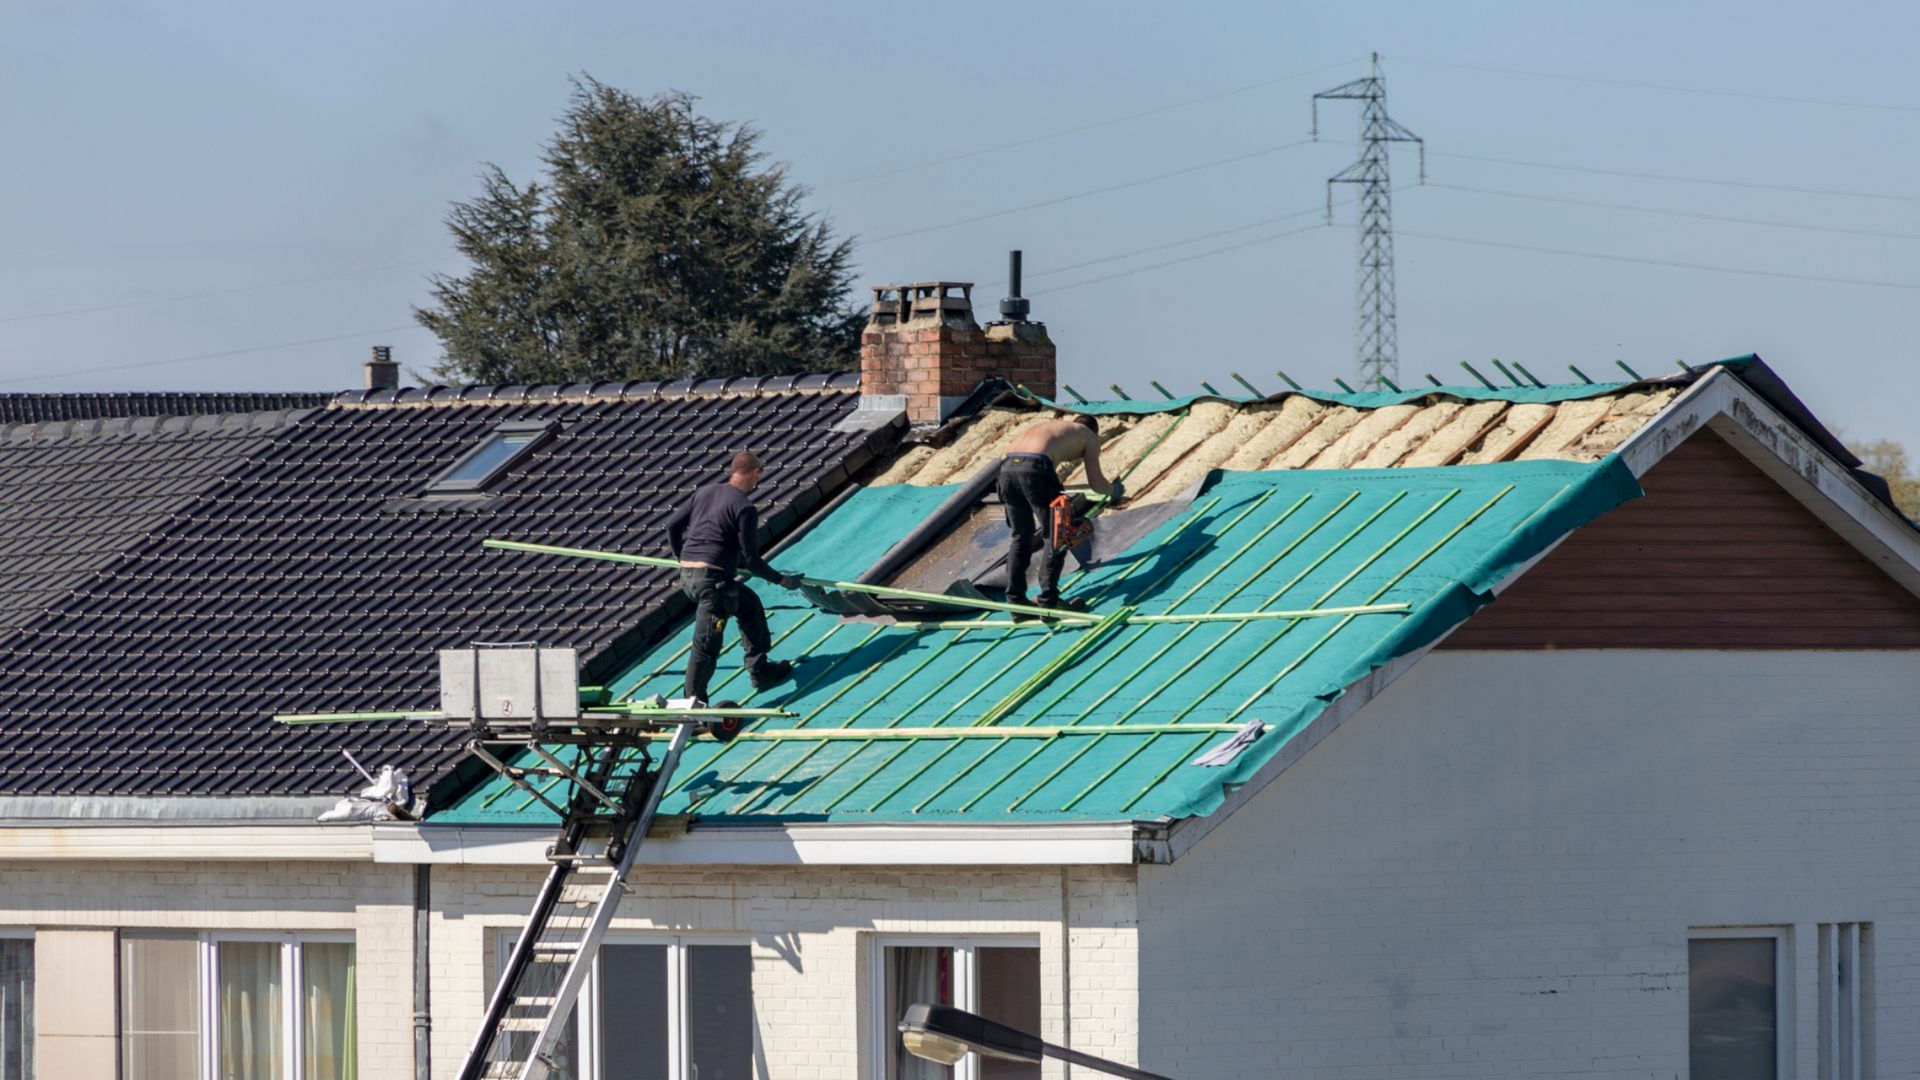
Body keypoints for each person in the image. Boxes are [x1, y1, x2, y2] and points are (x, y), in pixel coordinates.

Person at [663, 451, 800, 703]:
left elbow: (672, 525)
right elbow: (751, 561)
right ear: (755, 474)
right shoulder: (744, 508)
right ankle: (693, 706)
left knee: (748, 605)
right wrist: (783, 580)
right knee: (706, 645)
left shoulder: (704, 492)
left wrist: (681, 557)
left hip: (689, 577)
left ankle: (761, 670)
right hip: (711, 584)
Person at [997, 415, 1121, 612]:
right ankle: (1049, 600)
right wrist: (1114, 490)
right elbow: (1097, 484)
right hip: (1035, 468)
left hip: (1006, 470)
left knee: (1021, 536)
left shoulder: (1052, 428)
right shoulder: (1089, 436)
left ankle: (1017, 602)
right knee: (1057, 534)